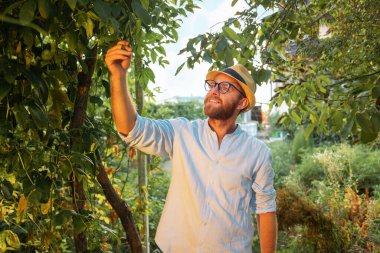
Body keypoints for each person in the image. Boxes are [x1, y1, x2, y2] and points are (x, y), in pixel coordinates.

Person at [105, 41, 277, 253]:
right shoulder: (182, 132)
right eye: (213, 85)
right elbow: (131, 129)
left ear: (242, 103)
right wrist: (118, 76)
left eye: (224, 87)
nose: (214, 91)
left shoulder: (258, 153)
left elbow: (266, 210)